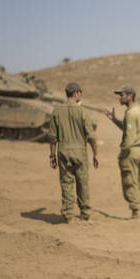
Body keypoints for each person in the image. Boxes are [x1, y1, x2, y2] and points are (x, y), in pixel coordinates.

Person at [49, 82, 99, 223]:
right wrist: (95, 154)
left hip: (63, 152)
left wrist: (52, 156)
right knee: (83, 183)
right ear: (76, 93)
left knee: (66, 183)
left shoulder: (57, 111)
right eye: (80, 92)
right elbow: (92, 137)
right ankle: (85, 213)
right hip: (80, 153)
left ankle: (68, 214)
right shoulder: (82, 111)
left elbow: (52, 137)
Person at [105, 85, 140, 222]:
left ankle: (135, 213)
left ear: (130, 96)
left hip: (131, 152)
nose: (120, 98)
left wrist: (123, 152)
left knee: (129, 182)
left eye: (122, 95)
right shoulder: (139, 110)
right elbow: (128, 129)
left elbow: (129, 137)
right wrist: (114, 120)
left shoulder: (131, 113)